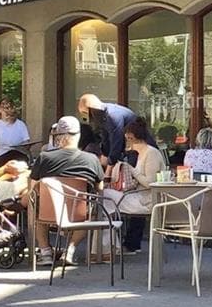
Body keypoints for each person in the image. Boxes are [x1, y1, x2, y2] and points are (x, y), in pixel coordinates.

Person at [24, 116, 105, 267]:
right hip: (79, 212)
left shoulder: (44, 157)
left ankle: (45, 251)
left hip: (48, 211)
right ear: (79, 135)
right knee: (91, 213)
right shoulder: (91, 159)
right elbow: (100, 189)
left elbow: (33, 189)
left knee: (35, 207)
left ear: (58, 136)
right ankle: (70, 250)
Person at [102, 119, 163, 254]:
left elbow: (150, 182)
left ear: (132, 137)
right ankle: (109, 246)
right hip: (138, 195)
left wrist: (131, 170)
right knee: (105, 199)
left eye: (128, 139)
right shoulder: (141, 153)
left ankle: (108, 247)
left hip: (147, 199)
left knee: (105, 198)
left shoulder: (151, 153)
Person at [77, 93, 153, 170]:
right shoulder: (104, 116)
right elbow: (106, 137)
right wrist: (105, 155)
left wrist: (110, 161)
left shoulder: (113, 116)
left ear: (92, 110)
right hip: (132, 148)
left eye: (87, 114)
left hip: (142, 148)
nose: (90, 119)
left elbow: (117, 139)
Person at [0, 97, 31, 166]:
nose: (8, 110)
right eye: (5, 108)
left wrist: (23, 147)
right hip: (1, 156)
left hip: (18, 155)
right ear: (0, 110)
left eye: (10, 107)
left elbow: (27, 142)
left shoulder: (20, 124)